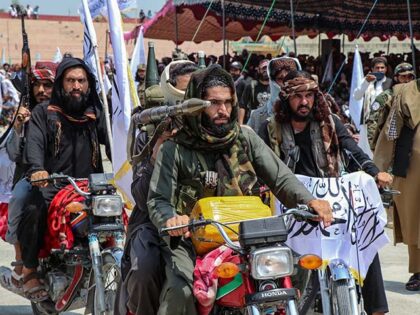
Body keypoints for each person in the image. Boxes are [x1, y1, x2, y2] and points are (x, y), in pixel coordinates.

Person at [147, 65, 333, 315]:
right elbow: (159, 198)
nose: (222, 110)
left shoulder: (244, 138)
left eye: (227, 102)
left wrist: (310, 201)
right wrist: (173, 218)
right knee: (182, 291)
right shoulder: (175, 147)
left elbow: (280, 177)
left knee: (295, 265)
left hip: (245, 233)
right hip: (191, 238)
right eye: (213, 103)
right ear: (195, 104)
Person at [259, 70, 392, 315]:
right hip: (291, 204)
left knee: (363, 235)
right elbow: (260, 165)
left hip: (332, 197)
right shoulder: (271, 128)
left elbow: (352, 152)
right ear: (287, 98)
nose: (304, 102)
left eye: (309, 95)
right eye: (298, 96)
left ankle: (377, 310)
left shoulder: (329, 122)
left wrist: (374, 172)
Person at [16, 57, 109, 302]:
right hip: (53, 185)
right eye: (70, 80)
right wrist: (38, 169)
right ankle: (29, 268)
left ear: (89, 84)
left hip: (90, 186)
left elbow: (113, 142)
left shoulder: (97, 114)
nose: (76, 86)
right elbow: (34, 144)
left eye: (81, 80)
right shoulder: (43, 112)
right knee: (34, 207)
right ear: (61, 84)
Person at [116, 60, 197, 315]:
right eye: (186, 92)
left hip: (208, 222)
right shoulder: (149, 134)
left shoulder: (215, 130)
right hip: (153, 224)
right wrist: (157, 152)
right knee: (144, 270)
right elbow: (140, 196)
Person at [0, 64, 56, 294]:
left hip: (65, 174)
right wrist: (19, 125)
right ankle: (22, 261)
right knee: (21, 199)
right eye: (37, 85)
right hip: (31, 174)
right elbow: (13, 153)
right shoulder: (26, 112)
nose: (41, 90)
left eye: (48, 85)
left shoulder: (65, 111)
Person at [373, 78, 420, 291]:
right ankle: (419, 271)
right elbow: (391, 131)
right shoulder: (406, 91)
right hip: (412, 168)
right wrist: (378, 168)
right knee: (415, 220)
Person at [368, 62, 416, 151]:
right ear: (396, 78)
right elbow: (373, 121)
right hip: (391, 143)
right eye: (403, 77)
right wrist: (374, 146)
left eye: (410, 77)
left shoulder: (417, 96)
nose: (407, 80)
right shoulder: (385, 97)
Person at [248, 57, 300, 135]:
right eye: (280, 79)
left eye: (290, 79)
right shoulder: (257, 117)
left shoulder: (307, 114)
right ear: (273, 82)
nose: (285, 84)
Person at [353, 57, 393, 147]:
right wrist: (366, 82)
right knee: (366, 149)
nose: (380, 70)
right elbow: (356, 96)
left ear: (386, 69)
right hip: (367, 122)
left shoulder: (390, 83)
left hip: (384, 122)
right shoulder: (366, 81)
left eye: (382, 68)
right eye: (377, 68)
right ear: (372, 69)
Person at [239, 59, 270, 124]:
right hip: (255, 122)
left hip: (270, 122)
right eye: (264, 68)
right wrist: (240, 125)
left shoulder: (275, 86)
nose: (266, 70)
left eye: (268, 68)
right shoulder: (251, 86)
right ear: (258, 70)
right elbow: (242, 106)